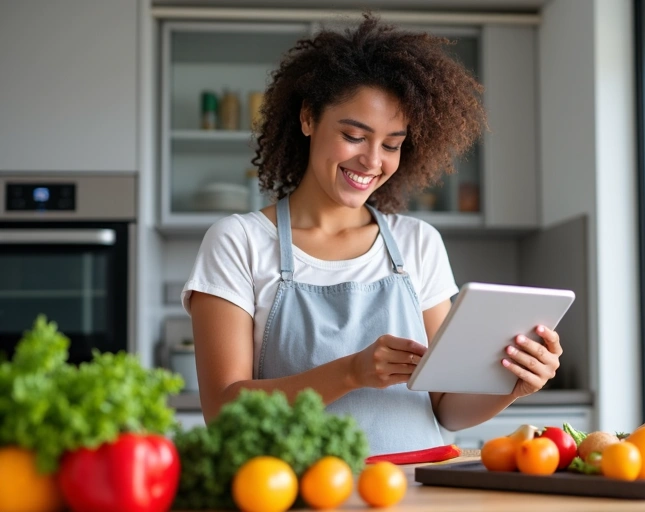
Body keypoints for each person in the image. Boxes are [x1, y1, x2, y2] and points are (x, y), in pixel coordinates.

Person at [182, 13, 562, 455]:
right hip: (299, 494)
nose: (371, 161)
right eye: (353, 135)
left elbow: (446, 408)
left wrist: (510, 385)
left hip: (413, 492)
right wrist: (351, 373)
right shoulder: (238, 242)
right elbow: (224, 413)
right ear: (308, 118)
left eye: (391, 144)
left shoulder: (418, 243)